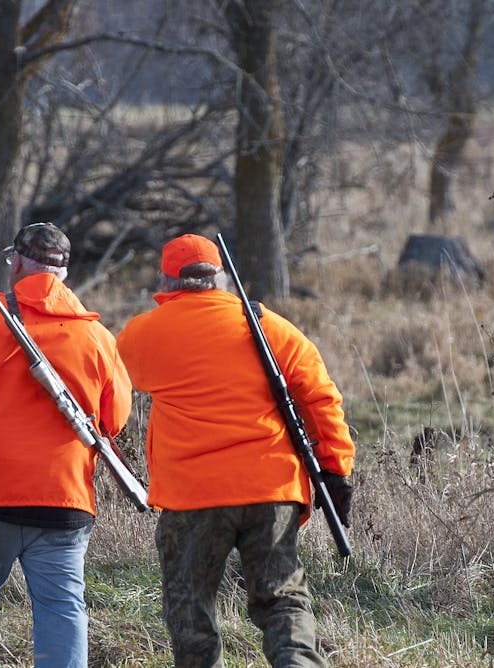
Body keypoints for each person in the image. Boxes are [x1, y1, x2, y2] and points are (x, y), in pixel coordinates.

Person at [116, 233, 356, 668]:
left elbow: (117, 383)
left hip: (193, 495)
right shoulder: (269, 326)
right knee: (282, 600)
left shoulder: (143, 334)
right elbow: (321, 397)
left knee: (190, 607)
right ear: (222, 278)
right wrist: (336, 469)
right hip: (271, 488)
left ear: (166, 282)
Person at [0, 223, 134, 668]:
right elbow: (115, 419)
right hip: (65, 499)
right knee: (62, 608)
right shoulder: (97, 337)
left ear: (15, 262)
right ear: (64, 274)